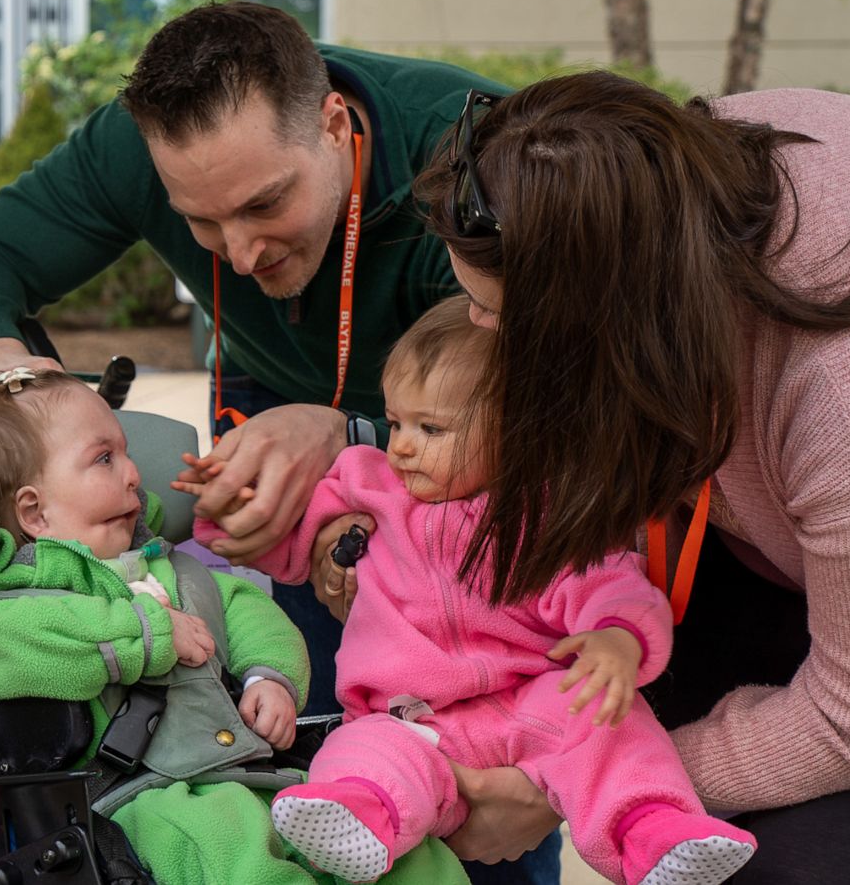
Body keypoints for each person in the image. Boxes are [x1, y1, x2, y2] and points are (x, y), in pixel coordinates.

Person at [0, 3, 567, 877]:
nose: (244, 253)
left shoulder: (474, 160)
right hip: (270, 402)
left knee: (467, 742)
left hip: (478, 449)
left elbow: (560, 412)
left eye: (266, 203)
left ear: (335, 125)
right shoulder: (136, 148)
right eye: (203, 223)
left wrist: (350, 440)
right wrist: (19, 388)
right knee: (308, 726)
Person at [402, 71, 850, 882]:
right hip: (772, 531)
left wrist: (576, 781)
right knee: (483, 704)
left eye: (500, 316)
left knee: (785, 868)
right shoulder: (655, 170)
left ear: (608, 312)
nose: (480, 331)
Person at [188, 297, 756, 884]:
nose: (401, 444)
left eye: (430, 428)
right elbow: (287, 542)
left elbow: (612, 586)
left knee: (611, 725)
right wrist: (227, 508)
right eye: (397, 420)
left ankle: (652, 834)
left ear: (518, 431)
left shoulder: (548, 517)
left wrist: (617, 640)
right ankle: (361, 817)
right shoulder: (369, 485)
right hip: (411, 716)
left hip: (532, 705)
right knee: (362, 751)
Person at [0, 369, 467, 884]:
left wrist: (269, 677)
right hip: (145, 801)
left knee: (402, 848)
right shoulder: (14, 604)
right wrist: (146, 634)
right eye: (104, 459)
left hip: (247, 770)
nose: (133, 472)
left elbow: (253, 616)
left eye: (125, 452)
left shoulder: (180, 571)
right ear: (35, 514)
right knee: (235, 853)